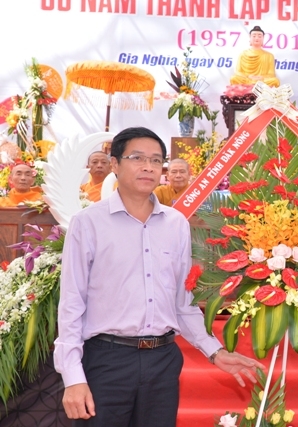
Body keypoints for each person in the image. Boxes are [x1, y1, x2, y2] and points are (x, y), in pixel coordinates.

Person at [54, 127, 264, 426]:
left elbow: (182, 304)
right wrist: (73, 377)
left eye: (156, 160)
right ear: (115, 164)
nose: (148, 167)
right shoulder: (88, 223)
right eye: (137, 158)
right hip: (107, 360)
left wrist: (215, 352)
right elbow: (72, 303)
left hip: (163, 360)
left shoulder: (175, 223)